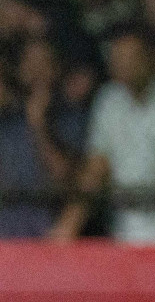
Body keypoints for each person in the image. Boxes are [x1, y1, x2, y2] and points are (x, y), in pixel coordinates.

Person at [52, 25, 155, 243]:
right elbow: (96, 168)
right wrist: (66, 227)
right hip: (126, 230)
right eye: (118, 58)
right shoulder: (109, 99)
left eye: (132, 57)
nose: (125, 64)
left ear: (152, 57)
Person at [0, 38, 91, 238]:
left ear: (57, 69)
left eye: (44, 63)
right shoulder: (7, 118)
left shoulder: (71, 119)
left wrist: (39, 125)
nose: (37, 72)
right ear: (19, 70)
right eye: (30, 64)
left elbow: (65, 179)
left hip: (47, 235)